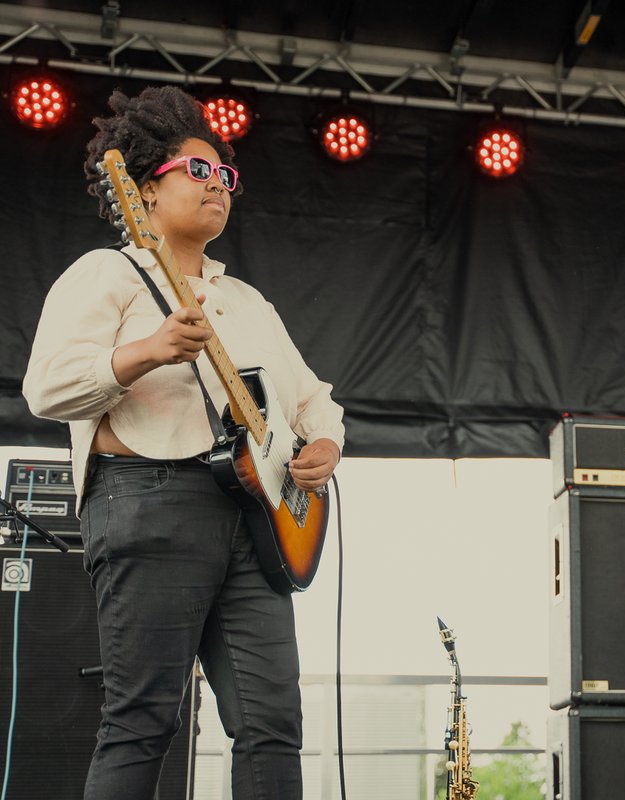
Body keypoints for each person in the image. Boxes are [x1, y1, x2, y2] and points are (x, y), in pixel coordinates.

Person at [23, 85, 344, 800]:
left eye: (225, 175)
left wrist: (325, 442)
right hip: (148, 501)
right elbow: (46, 389)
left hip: (255, 520)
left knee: (273, 724)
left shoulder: (249, 301)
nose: (218, 187)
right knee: (143, 720)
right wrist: (148, 350)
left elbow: (314, 398)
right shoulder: (107, 273)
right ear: (140, 189)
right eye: (196, 172)